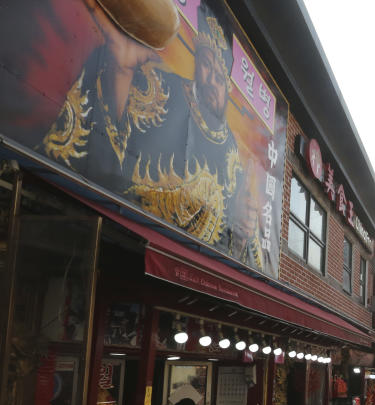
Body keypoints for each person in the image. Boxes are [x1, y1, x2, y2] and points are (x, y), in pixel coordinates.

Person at [42, 1, 267, 271]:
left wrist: (241, 237)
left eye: (220, 78)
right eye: (207, 66)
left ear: (229, 88)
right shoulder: (163, 87)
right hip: (118, 230)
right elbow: (114, 129)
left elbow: (234, 226)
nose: (211, 81)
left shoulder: (231, 148)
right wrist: (121, 70)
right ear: (196, 63)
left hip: (199, 265)